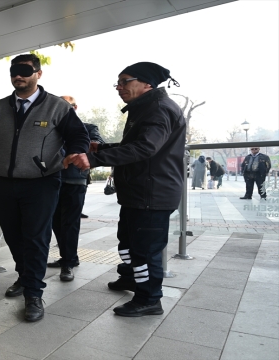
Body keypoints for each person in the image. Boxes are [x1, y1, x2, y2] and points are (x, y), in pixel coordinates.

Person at [0, 54, 89, 322]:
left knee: (36, 237)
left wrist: (77, 152)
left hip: (42, 183)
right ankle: (25, 276)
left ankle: (33, 293)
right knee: (14, 236)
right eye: (14, 72)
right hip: (4, 182)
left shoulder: (57, 107)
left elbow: (78, 135)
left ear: (38, 74)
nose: (19, 76)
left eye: (25, 71)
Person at [67, 61, 186, 317]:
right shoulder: (144, 108)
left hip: (152, 194)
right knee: (128, 243)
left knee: (145, 250)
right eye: (117, 83)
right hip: (138, 192)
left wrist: (95, 160)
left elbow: (146, 148)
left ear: (147, 83)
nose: (119, 87)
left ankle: (149, 298)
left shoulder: (158, 109)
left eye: (125, 81)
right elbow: (137, 145)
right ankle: (132, 279)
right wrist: (102, 149)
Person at [48, 96, 105, 281]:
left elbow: (96, 144)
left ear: (75, 107)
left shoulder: (87, 128)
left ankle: (68, 262)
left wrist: (80, 148)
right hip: (52, 180)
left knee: (70, 223)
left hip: (74, 180)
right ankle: (69, 256)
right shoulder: (50, 127)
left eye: (68, 107)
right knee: (55, 221)